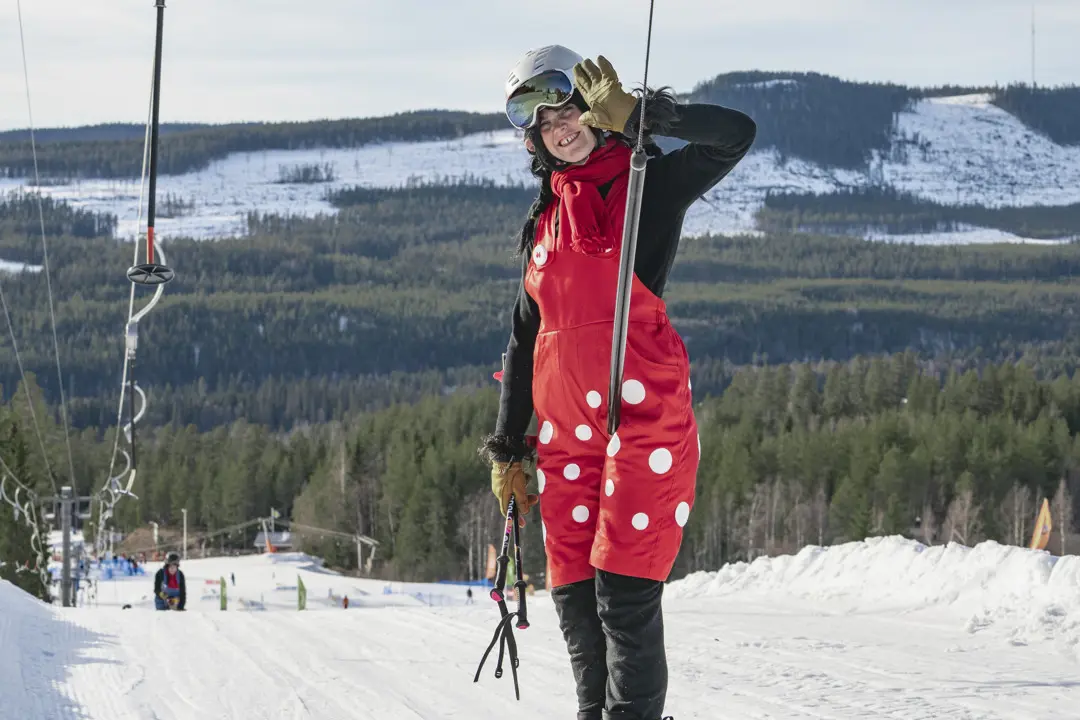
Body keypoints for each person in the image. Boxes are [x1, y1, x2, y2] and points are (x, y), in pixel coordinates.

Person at [481, 46, 756, 720]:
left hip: (642, 427)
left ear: (593, 108)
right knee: (575, 600)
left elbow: (736, 135)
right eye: (540, 121)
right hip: (565, 441)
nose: (558, 125)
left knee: (623, 597)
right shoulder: (546, 223)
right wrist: (509, 446)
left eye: (567, 106)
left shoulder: (647, 184)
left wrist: (642, 117)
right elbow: (524, 340)